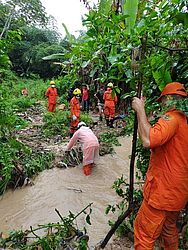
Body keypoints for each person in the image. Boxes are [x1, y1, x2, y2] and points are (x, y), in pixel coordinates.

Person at [131, 82, 188, 250]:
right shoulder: (184, 120)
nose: (163, 106)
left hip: (162, 193)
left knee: (143, 234)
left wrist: (140, 110)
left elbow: (148, 140)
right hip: (178, 193)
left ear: (169, 99)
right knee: (169, 230)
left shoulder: (173, 117)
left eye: (163, 101)